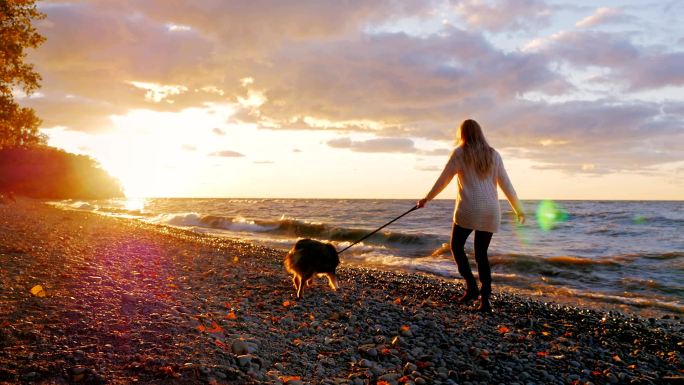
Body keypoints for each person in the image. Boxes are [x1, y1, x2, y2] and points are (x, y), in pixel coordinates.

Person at [417, 119, 525, 312]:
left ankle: (471, 286)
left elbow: (443, 180)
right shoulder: (494, 155)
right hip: (491, 210)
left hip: (469, 208)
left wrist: (427, 199)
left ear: (463, 134)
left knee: (456, 247)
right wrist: (518, 209)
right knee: (481, 255)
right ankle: (485, 301)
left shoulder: (460, 153)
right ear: (480, 133)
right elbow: (506, 184)